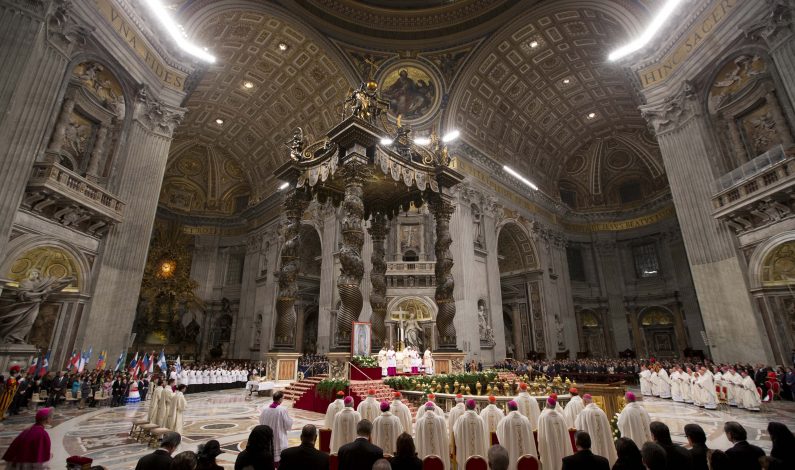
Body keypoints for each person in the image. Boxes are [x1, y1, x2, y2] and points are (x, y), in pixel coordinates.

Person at [574, 394, 616, 466]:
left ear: (584, 401)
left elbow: (578, 428)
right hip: (604, 445)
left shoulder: (584, 413)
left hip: (591, 443)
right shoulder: (601, 412)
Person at [496, 400, 536, 470]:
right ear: (517, 407)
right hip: (525, 454)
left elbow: (499, 437)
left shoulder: (504, 421)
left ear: (508, 409)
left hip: (511, 453)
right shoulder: (525, 420)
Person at [537, 396, 572, 470]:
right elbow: (565, 435)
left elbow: (540, 436)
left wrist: (541, 448)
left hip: (549, 446)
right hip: (561, 446)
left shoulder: (543, 417)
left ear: (547, 404)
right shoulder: (560, 417)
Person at [259, 390, 293, 464]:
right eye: (283, 398)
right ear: (280, 399)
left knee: (268, 454)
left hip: (267, 435)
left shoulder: (265, 408)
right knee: (279, 458)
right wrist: (291, 421)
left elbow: (261, 421)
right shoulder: (282, 410)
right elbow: (287, 424)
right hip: (278, 436)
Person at [415, 402, 450, 470]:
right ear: (434, 409)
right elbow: (445, 440)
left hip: (425, 453)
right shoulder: (441, 420)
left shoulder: (419, 422)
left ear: (425, 410)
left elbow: (418, 442)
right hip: (439, 455)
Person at [454, 399, 488, 468]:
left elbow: (456, 434)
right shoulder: (480, 420)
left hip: (465, 450)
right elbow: (484, 436)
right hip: (478, 449)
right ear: (475, 407)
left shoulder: (461, 419)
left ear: (465, 407)